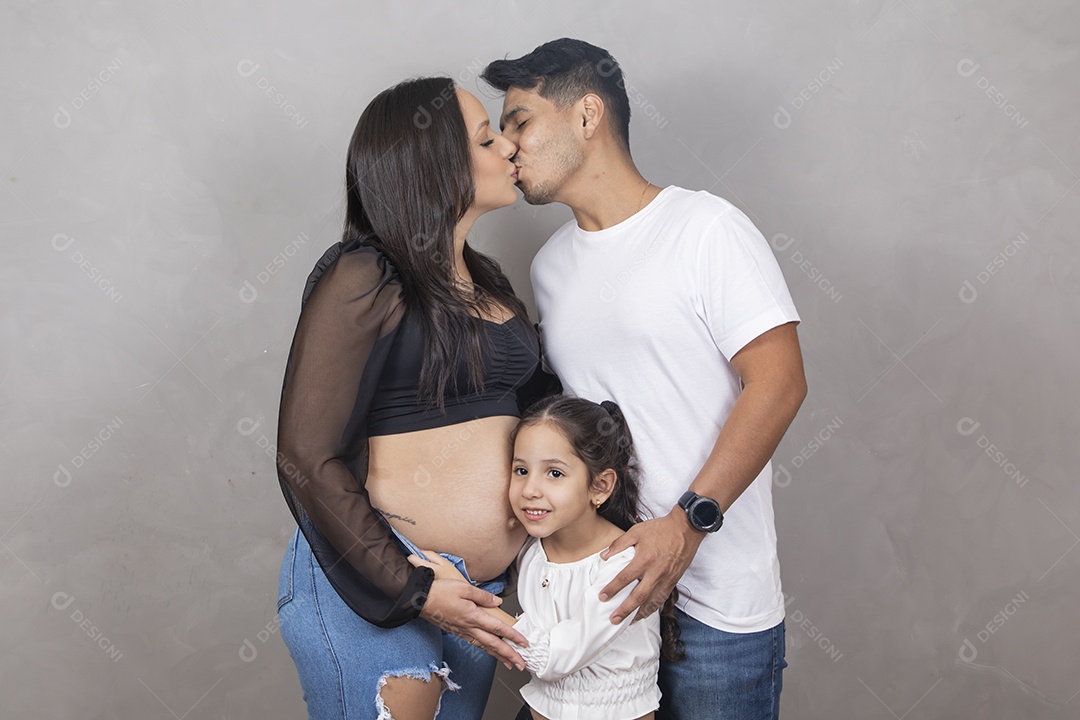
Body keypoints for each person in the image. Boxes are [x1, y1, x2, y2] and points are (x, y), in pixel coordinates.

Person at [481, 40, 808, 719]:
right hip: (605, 606)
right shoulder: (549, 267)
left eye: (519, 122)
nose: (507, 147)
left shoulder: (706, 229)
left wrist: (687, 523)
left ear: (587, 114)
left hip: (715, 612)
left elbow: (779, 383)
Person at [274, 76, 559, 720]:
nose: (510, 148)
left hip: (475, 593)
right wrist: (412, 587)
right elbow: (305, 454)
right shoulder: (365, 275)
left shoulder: (489, 282)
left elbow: (550, 415)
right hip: (380, 583)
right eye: (488, 138)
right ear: (436, 167)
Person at [409, 395, 684, 720]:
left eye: (554, 473)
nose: (529, 489)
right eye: (521, 470)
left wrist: (463, 598)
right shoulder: (530, 548)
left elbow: (555, 658)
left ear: (600, 486)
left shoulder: (623, 566)